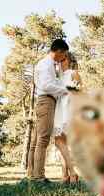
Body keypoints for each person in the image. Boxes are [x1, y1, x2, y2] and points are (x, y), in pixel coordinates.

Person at [27, 39, 69, 183]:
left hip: (45, 101)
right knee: (43, 138)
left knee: (36, 139)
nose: (63, 58)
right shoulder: (46, 64)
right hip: (46, 100)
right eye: (64, 54)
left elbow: (50, 83)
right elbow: (46, 85)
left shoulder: (50, 64)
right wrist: (65, 90)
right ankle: (38, 176)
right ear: (58, 51)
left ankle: (32, 174)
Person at [53, 52, 81, 183]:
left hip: (68, 108)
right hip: (59, 109)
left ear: (69, 61)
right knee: (61, 143)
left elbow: (79, 92)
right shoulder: (58, 76)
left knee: (61, 142)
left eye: (63, 59)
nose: (60, 62)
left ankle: (71, 174)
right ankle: (65, 175)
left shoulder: (73, 73)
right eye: (60, 60)